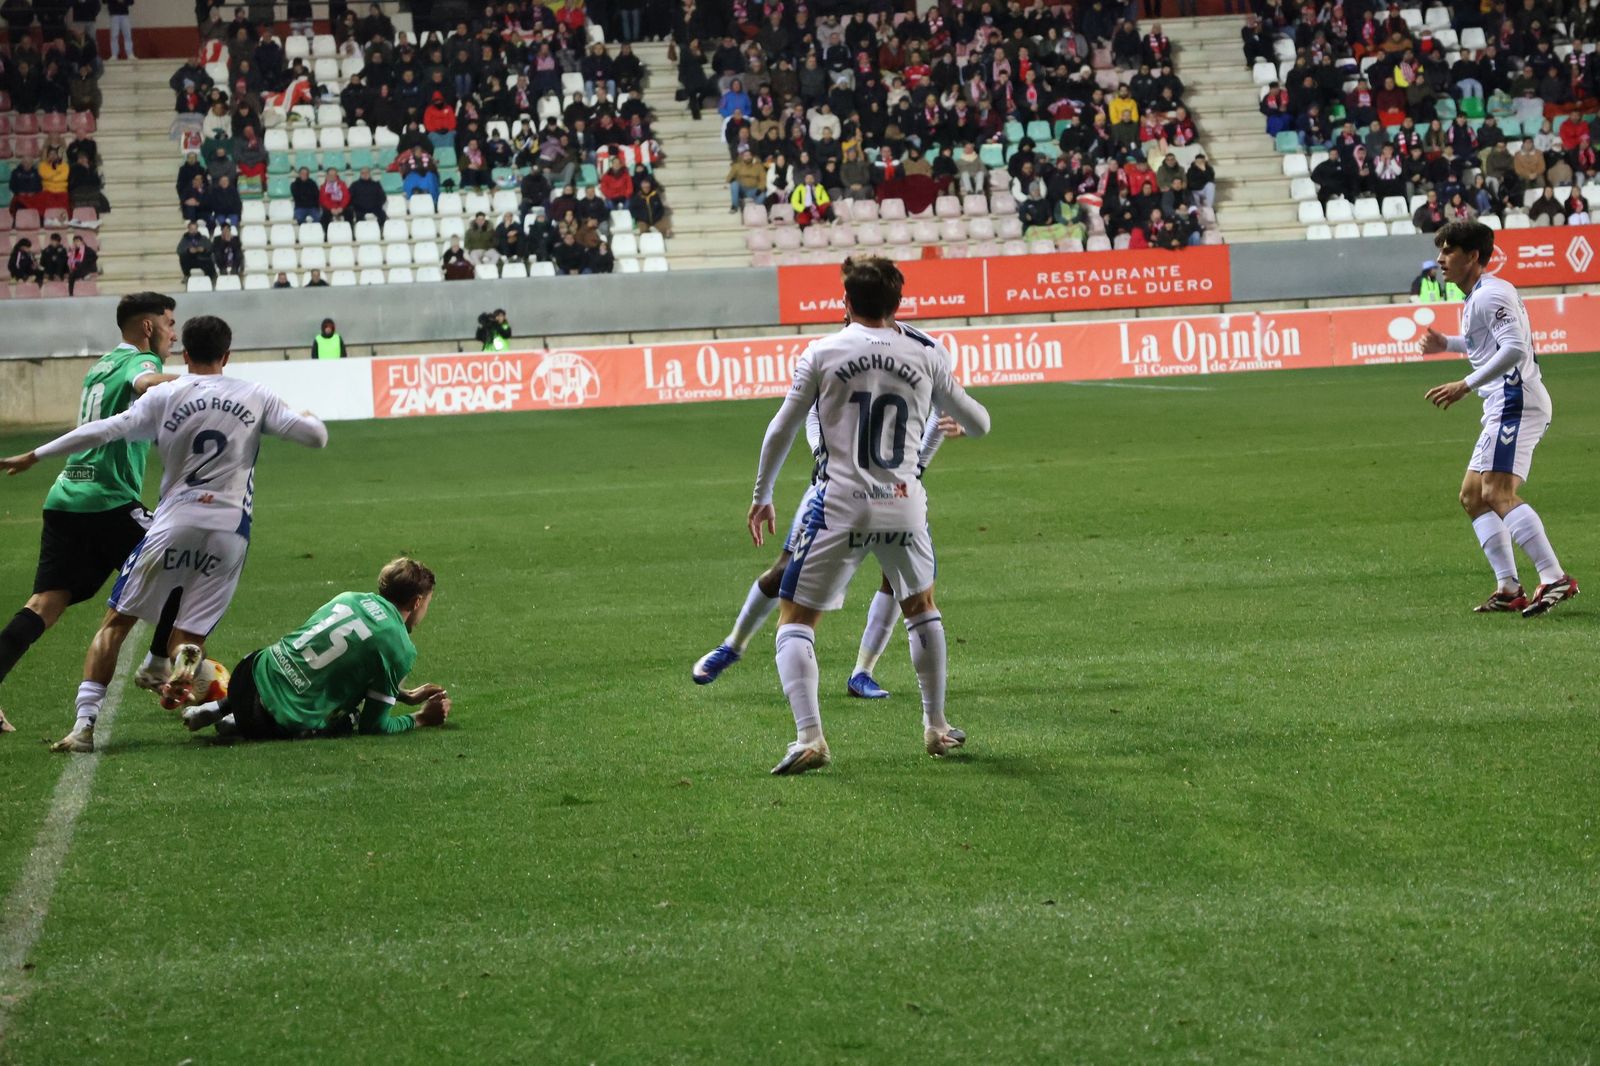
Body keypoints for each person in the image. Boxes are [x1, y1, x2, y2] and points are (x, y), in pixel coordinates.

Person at [0, 315, 329, 753]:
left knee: (115, 623)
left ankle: (84, 726)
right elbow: (315, 438)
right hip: (230, 530)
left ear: (185, 354)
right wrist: (308, 416)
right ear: (227, 355)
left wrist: (37, 454)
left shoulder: (168, 393)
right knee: (189, 635)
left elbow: (105, 429)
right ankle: (174, 662)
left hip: (174, 522)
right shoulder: (255, 394)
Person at [743, 257, 991, 775]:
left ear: (846, 303)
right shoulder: (927, 356)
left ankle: (810, 736)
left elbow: (781, 429)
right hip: (903, 499)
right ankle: (937, 726)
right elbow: (981, 423)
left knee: (795, 619)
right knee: (921, 606)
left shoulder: (822, 352)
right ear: (898, 305)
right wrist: (954, 418)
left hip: (839, 503)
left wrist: (763, 493)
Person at [0, 294, 179, 736]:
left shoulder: (99, 365)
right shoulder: (139, 363)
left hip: (65, 498)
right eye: (170, 324)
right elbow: (147, 383)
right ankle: (158, 661)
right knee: (181, 561)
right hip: (107, 502)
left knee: (45, 604)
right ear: (149, 328)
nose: (174, 333)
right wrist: (205, 383)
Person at [1417, 220, 1578, 617]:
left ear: (1473, 256)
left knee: (1496, 494)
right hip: (1501, 405)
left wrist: (1464, 384)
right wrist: (1448, 344)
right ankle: (1508, 587)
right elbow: (1486, 345)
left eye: (1449, 250)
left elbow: (1513, 349)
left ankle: (1554, 576)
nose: (1440, 259)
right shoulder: (1479, 296)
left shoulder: (1490, 295)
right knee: (1473, 497)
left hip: (1515, 402)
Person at [180, 557, 450, 740]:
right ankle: (239, 723)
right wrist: (421, 717)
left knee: (286, 663)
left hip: (245, 676)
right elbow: (375, 727)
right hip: (272, 722)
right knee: (351, 716)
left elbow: (318, 660)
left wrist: (403, 695)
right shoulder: (401, 647)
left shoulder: (348, 598)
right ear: (417, 602)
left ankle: (218, 708)